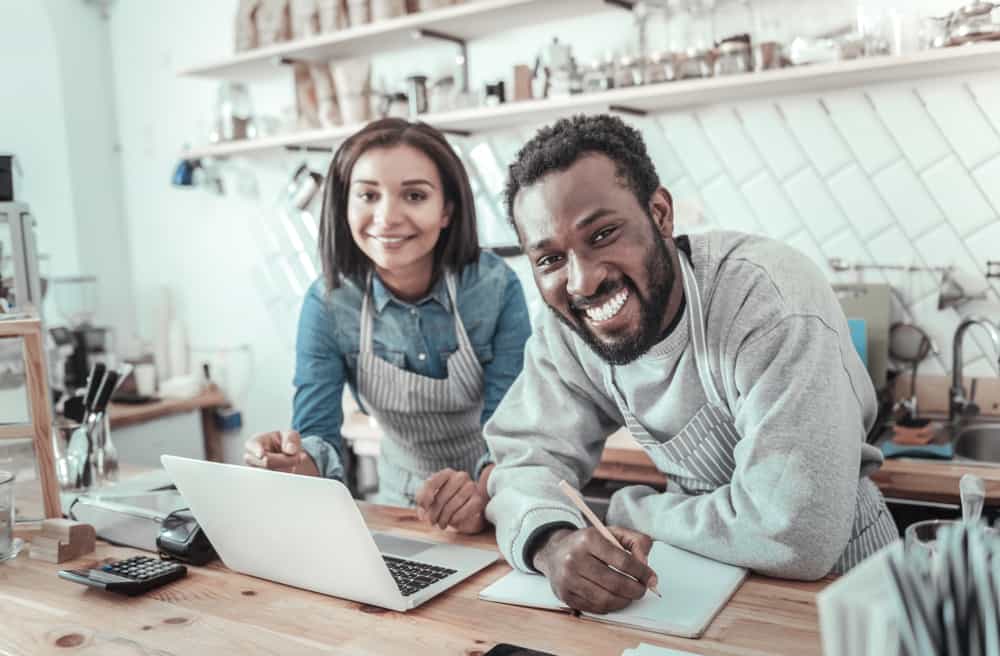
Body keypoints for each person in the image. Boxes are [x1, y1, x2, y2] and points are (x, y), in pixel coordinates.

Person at [484, 114, 898, 613]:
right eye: (549, 259)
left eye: (603, 234)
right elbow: (523, 459)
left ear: (659, 213)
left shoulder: (768, 300)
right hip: (690, 580)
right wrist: (549, 542)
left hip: (842, 589)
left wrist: (629, 510)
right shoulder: (569, 328)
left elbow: (792, 534)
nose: (583, 282)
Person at [245, 118, 531, 534]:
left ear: (447, 210)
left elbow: (513, 424)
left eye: (414, 195)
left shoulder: (494, 287)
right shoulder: (327, 303)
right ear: (345, 206)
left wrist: (482, 493)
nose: (387, 217)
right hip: (396, 507)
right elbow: (317, 436)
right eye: (368, 195)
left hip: (493, 497)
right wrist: (290, 462)